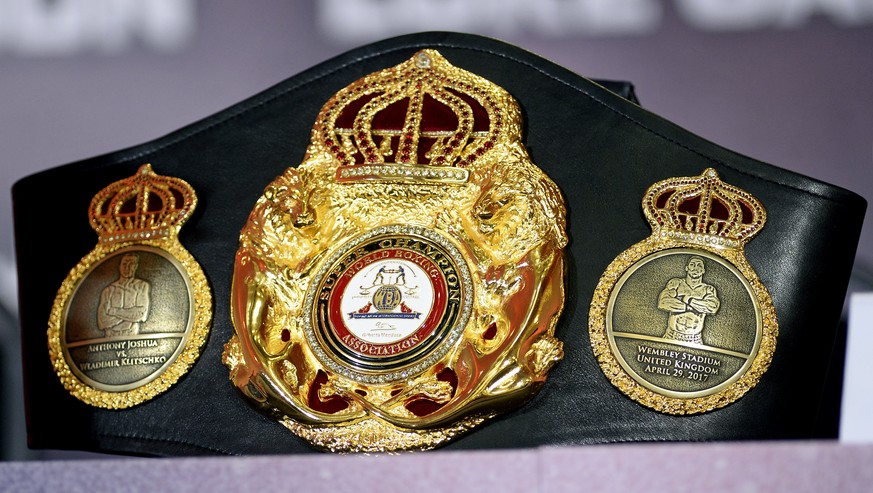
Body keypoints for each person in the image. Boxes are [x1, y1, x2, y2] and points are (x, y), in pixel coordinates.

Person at [657, 256, 719, 344]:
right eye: (692, 265)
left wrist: (687, 299)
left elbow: (712, 307)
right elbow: (663, 302)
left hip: (695, 340)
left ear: (703, 270)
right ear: (687, 268)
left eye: (699, 266)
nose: (695, 268)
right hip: (671, 336)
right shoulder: (676, 283)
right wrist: (689, 307)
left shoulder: (708, 289)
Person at [97, 253, 150, 337]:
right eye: (124, 264)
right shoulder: (108, 290)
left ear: (136, 266)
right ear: (119, 266)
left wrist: (113, 311)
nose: (127, 267)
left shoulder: (142, 286)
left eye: (131, 264)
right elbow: (102, 322)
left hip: (133, 336)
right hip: (110, 338)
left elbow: (141, 314)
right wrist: (130, 315)